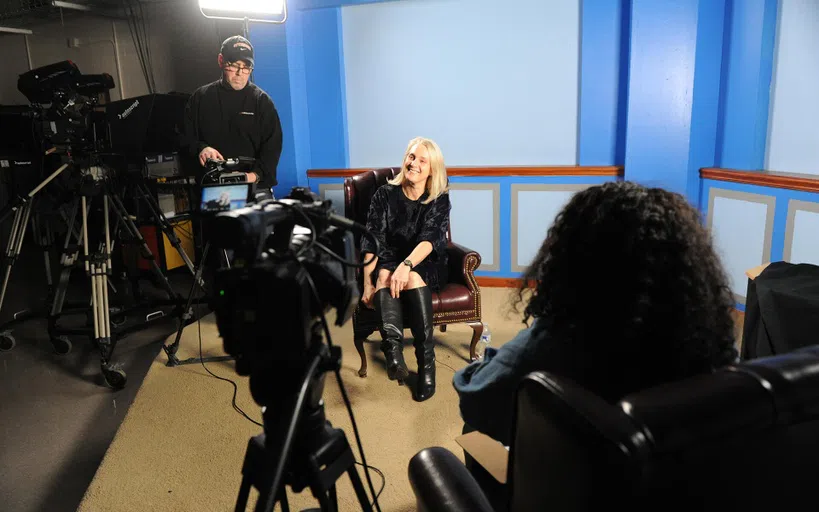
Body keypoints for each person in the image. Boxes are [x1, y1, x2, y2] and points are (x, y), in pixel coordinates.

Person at [453, 181, 737, 508]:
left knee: (472, 431)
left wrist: (486, 361)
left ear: (574, 258)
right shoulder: (712, 340)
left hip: (575, 495)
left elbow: (477, 399)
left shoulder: (556, 342)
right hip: (673, 491)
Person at [359, 137, 451, 402]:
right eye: (412, 157)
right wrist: (368, 282)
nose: (414, 164)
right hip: (390, 258)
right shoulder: (384, 195)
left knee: (406, 276)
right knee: (384, 275)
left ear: (432, 169)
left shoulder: (439, 198)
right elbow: (372, 240)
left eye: (423, 160)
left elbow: (430, 239)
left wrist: (407, 265)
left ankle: (426, 366)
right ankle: (394, 355)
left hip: (426, 262)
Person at [182, 35, 283, 198]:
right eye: (234, 65)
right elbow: (183, 138)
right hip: (213, 192)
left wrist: (252, 176)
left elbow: (272, 150)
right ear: (221, 61)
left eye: (246, 67)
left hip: (254, 189)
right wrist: (201, 148)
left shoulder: (261, 102)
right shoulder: (200, 98)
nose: (240, 73)